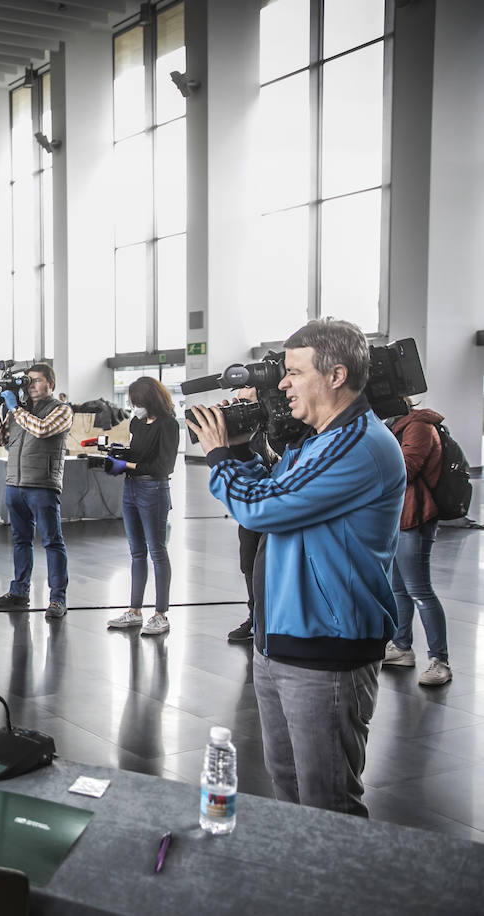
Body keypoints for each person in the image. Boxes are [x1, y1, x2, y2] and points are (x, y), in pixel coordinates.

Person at [188, 318, 404, 817]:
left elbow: (261, 509)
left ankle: (338, 896)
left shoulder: (357, 446)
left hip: (328, 653)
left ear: (335, 375)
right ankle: (298, 891)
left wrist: (219, 455)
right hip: (281, 644)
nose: (282, 384)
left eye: (293, 372)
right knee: (289, 794)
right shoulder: (315, 441)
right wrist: (242, 449)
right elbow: (274, 489)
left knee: (328, 806)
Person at [0, 364, 71, 618]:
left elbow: (41, 429)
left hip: (42, 485)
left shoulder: (62, 410)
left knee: (52, 541)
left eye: (37, 381)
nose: (31, 385)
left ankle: (57, 598)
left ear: (51, 384)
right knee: (20, 540)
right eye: (29, 381)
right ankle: (19, 591)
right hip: (15, 483)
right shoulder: (19, 411)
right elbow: (1, 441)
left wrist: (14, 407)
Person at [103, 377, 181, 635]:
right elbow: (139, 453)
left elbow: (164, 466)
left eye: (139, 403)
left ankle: (161, 614)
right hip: (132, 488)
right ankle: (134, 610)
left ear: (152, 400)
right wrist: (119, 456)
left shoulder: (168, 425)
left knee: (157, 550)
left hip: (154, 489)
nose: (135, 407)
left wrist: (127, 465)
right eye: (133, 403)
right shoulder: (137, 422)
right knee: (136, 551)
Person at [384, 401, 452, 686]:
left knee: (420, 591)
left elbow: (406, 470)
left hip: (416, 517)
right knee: (398, 589)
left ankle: (439, 660)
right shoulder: (395, 428)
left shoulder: (419, 427)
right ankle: (401, 648)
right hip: (399, 518)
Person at [223, 387, 286, 643]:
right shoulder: (250, 432)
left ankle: (271, 619)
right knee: (249, 563)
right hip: (252, 510)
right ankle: (255, 617)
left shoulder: (281, 430)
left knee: (275, 566)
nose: (242, 406)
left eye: (247, 401)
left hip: (277, 507)